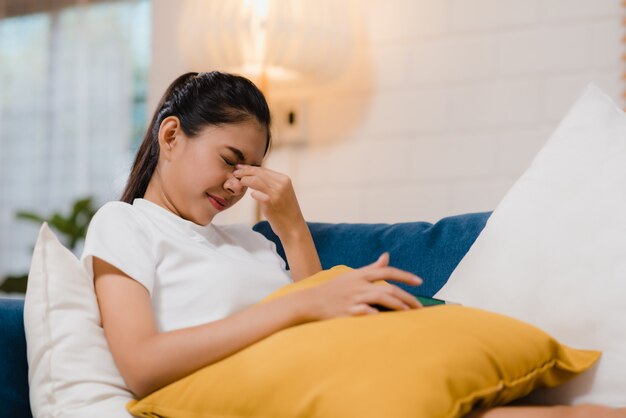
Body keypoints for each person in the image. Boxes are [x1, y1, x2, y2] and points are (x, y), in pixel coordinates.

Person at [82, 71, 626, 418]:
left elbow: (321, 312)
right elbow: (143, 366)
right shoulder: (125, 224)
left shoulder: (248, 240)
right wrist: (297, 306)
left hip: (331, 380)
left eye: (248, 169)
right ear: (171, 136)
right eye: (229, 160)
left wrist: (292, 226)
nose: (235, 183)